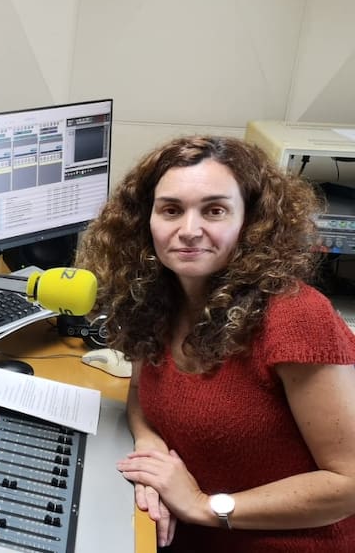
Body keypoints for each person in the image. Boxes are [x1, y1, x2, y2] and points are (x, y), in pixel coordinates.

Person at [75, 135, 355, 552]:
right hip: (183, 535)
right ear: (145, 219)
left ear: (251, 222)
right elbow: (140, 393)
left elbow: (347, 484)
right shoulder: (155, 299)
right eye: (171, 210)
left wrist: (204, 506)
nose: (189, 231)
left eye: (214, 210)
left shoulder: (295, 316)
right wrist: (151, 454)